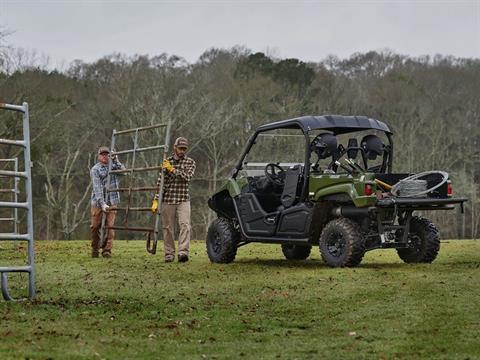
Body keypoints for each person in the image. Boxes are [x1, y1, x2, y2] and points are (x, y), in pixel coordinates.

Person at [158, 137, 196, 263]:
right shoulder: (166, 162)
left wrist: (172, 170)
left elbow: (187, 177)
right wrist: (156, 199)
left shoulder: (190, 162)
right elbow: (161, 182)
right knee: (167, 227)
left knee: (185, 225)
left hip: (183, 198)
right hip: (168, 199)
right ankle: (169, 254)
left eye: (184, 149)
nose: (182, 151)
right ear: (175, 147)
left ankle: (183, 252)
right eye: (180, 148)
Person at [90, 146, 125, 258]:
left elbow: (124, 172)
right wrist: (102, 203)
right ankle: (95, 248)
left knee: (110, 226)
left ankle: (107, 250)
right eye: (103, 154)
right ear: (99, 156)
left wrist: (116, 160)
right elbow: (97, 187)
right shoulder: (95, 169)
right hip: (98, 202)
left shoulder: (114, 166)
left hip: (112, 200)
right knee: (95, 226)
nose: (105, 156)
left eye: (107, 154)